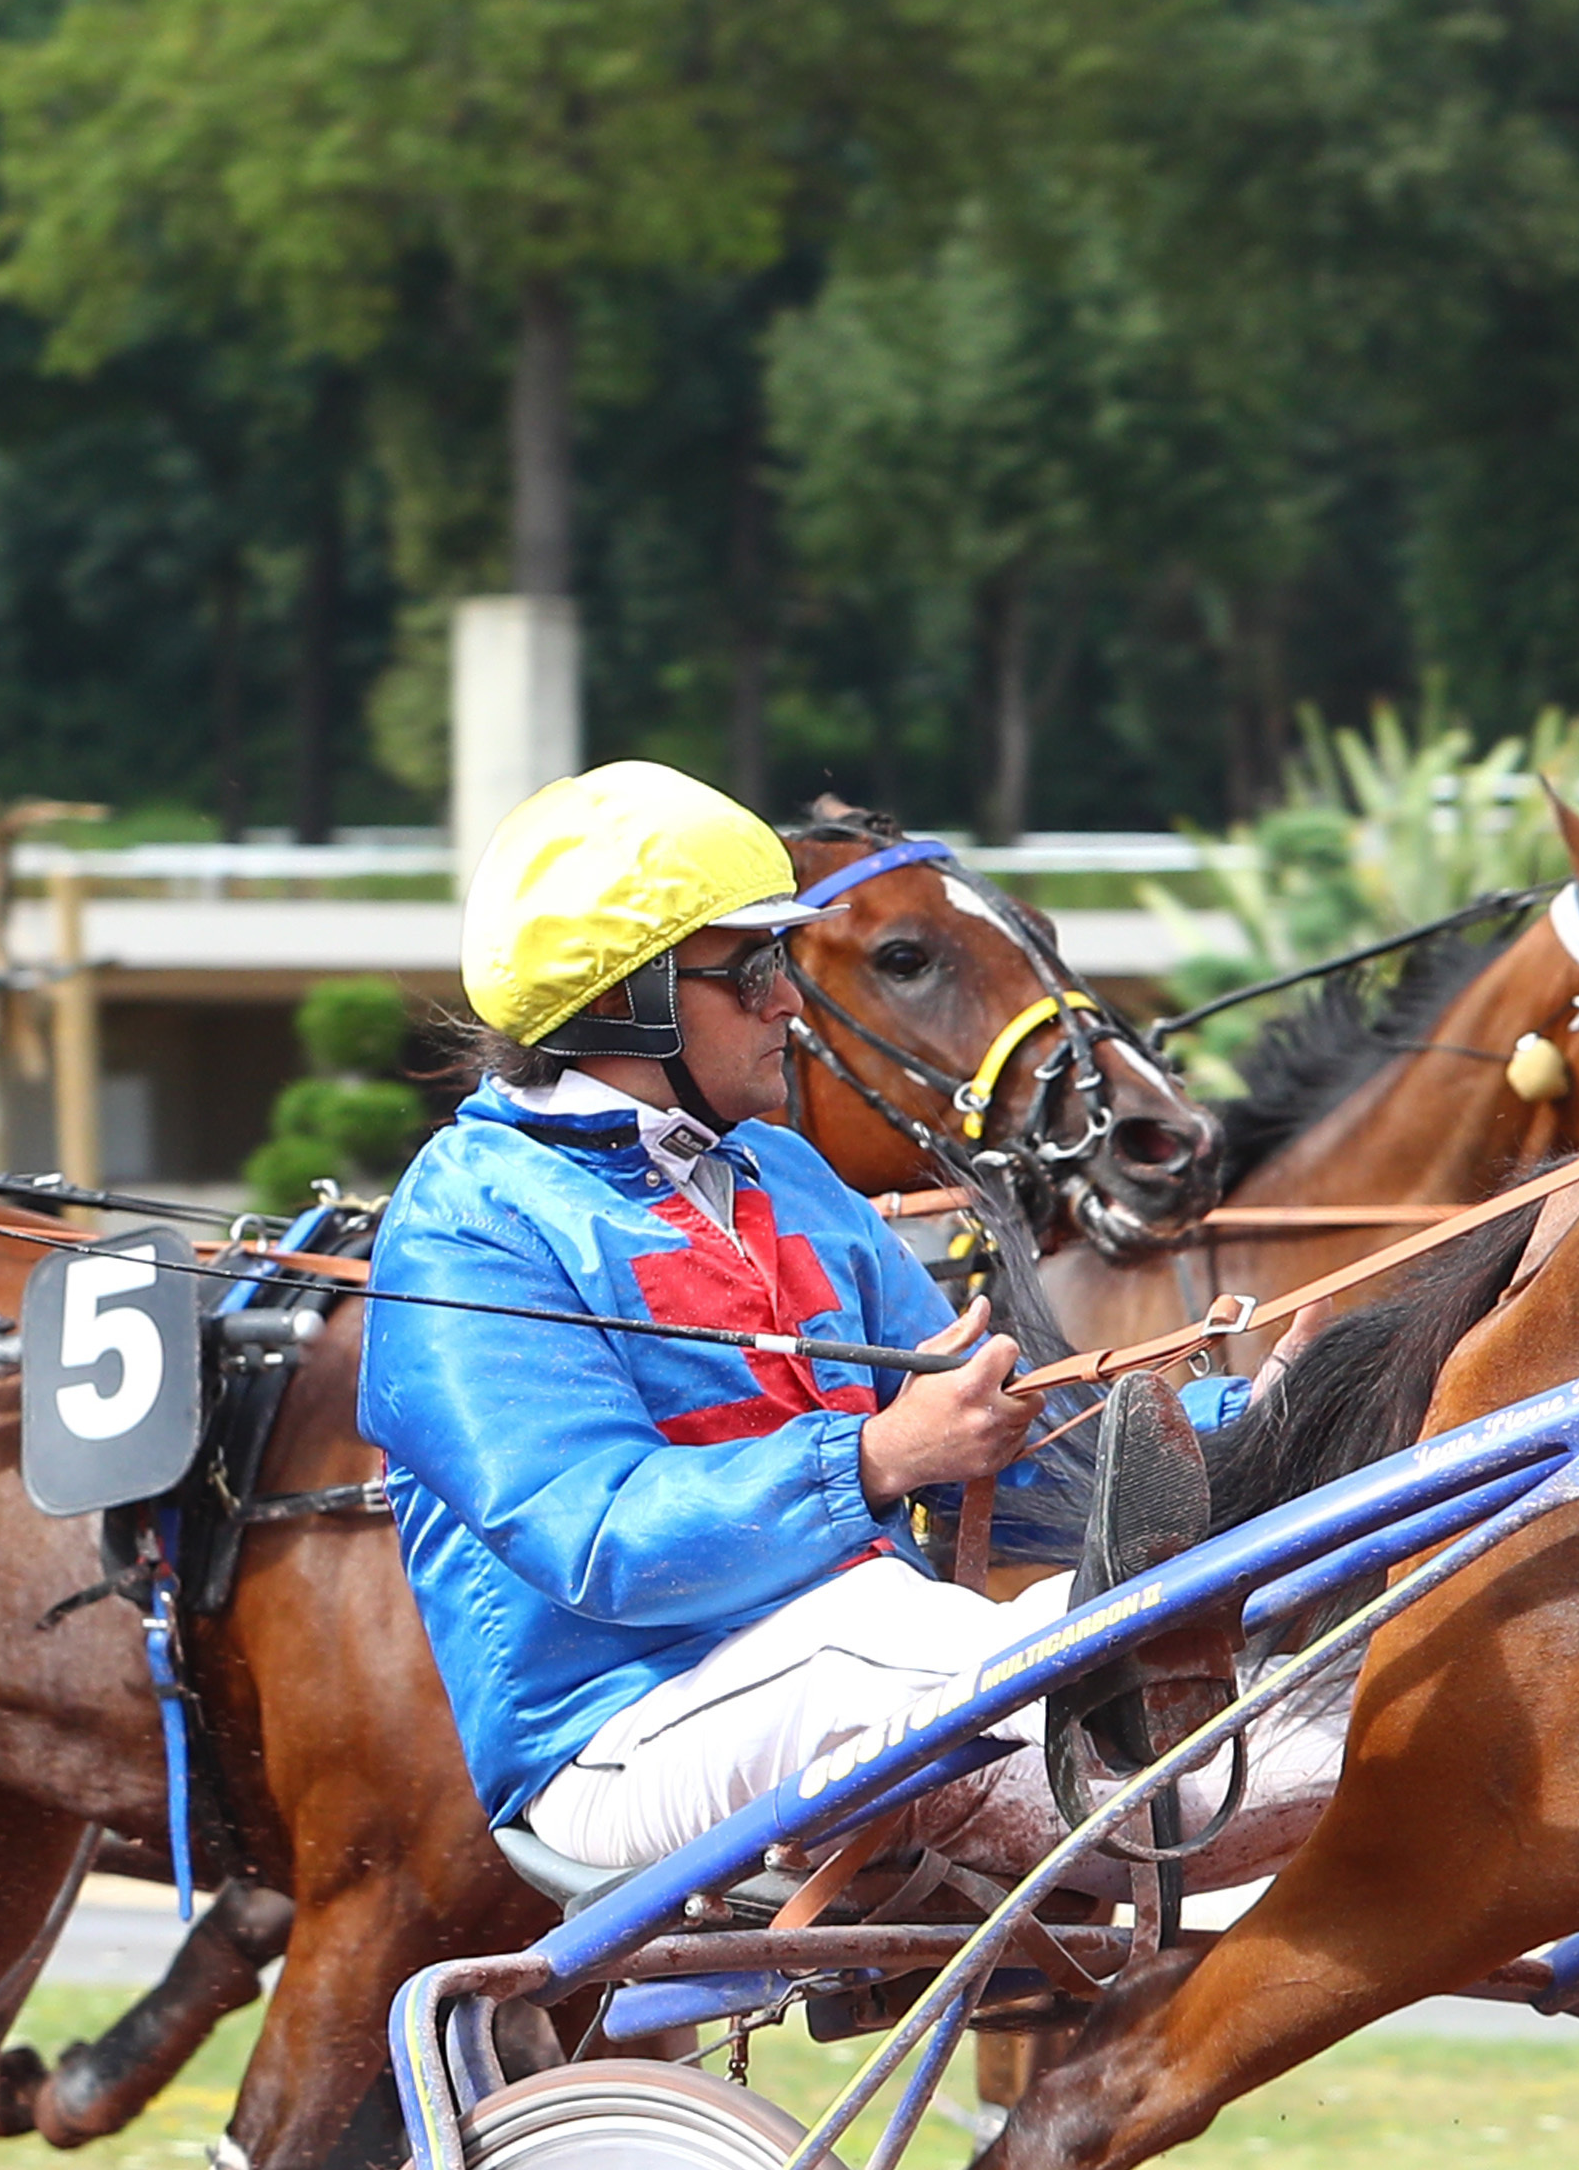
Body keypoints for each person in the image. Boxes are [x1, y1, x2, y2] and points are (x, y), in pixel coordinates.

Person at [364, 761, 1314, 1887]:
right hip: (614, 1739)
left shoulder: (785, 1174)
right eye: (754, 969)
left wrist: (1252, 1423)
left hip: (870, 1660)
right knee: (920, 1639)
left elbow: (1004, 1452)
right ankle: (1288, 1781)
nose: (788, 1003)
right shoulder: (468, 1219)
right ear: (629, 998)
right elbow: (598, 1541)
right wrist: (875, 1456)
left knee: (1159, 1619)